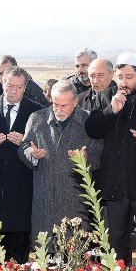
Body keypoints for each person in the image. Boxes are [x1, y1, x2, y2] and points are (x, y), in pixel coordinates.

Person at [85, 53, 136, 265]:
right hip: (114, 184)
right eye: (119, 77)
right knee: (116, 239)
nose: (123, 82)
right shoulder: (106, 95)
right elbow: (93, 129)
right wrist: (111, 111)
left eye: (129, 77)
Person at [19, 80, 102, 243]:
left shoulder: (88, 120)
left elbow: (99, 152)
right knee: (46, 255)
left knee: (75, 256)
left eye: (64, 105)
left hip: (77, 201)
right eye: (55, 104)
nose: (58, 109)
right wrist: (32, 154)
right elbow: (24, 145)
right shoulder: (37, 118)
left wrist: (86, 158)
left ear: (75, 101)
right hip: (45, 199)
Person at [0, 66, 43, 263]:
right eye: (9, 85)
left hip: (23, 181)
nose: (13, 90)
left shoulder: (35, 110)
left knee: (20, 237)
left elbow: (42, 146)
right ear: (2, 83)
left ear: (25, 87)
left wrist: (25, 141)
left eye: (18, 87)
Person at [0, 55, 48, 119]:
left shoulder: (32, 90)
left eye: (8, 71)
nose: (4, 76)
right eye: (1, 73)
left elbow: (46, 116)